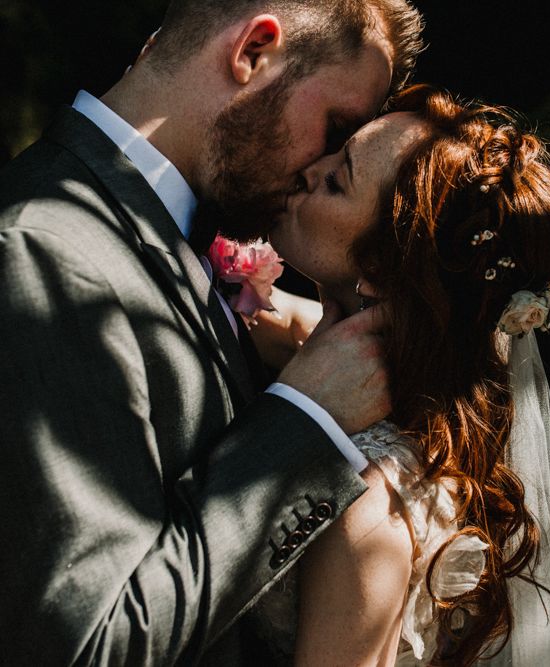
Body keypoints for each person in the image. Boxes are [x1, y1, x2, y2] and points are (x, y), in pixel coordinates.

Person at [0, 1, 423, 664]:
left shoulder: (176, 237)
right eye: (336, 125)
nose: (323, 165)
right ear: (254, 51)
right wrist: (303, 421)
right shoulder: (44, 251)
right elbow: (91, 644)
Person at [251, 85, 550, 665]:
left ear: (381, 268)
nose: (309, 169)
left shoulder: (367, 508)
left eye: (337, 181)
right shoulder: (368, 372)